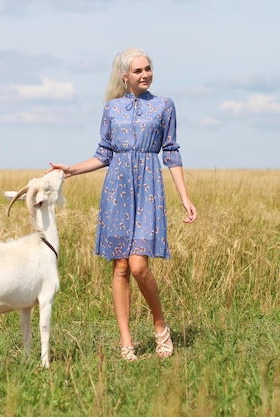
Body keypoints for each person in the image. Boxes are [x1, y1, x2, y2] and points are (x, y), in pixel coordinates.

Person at [48, 47, 197, 361]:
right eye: (138, 71)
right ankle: (126, 341)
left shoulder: (164, 106)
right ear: (125, 76)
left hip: (149, 189)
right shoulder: (111, 109)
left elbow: (171, 152)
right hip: (116, 190)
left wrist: (184, 197)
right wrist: (71, 169)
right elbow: (103, 153)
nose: (145, 75)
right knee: (120, 267)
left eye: (148, 69)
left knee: (139, 265)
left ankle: (160, 325)